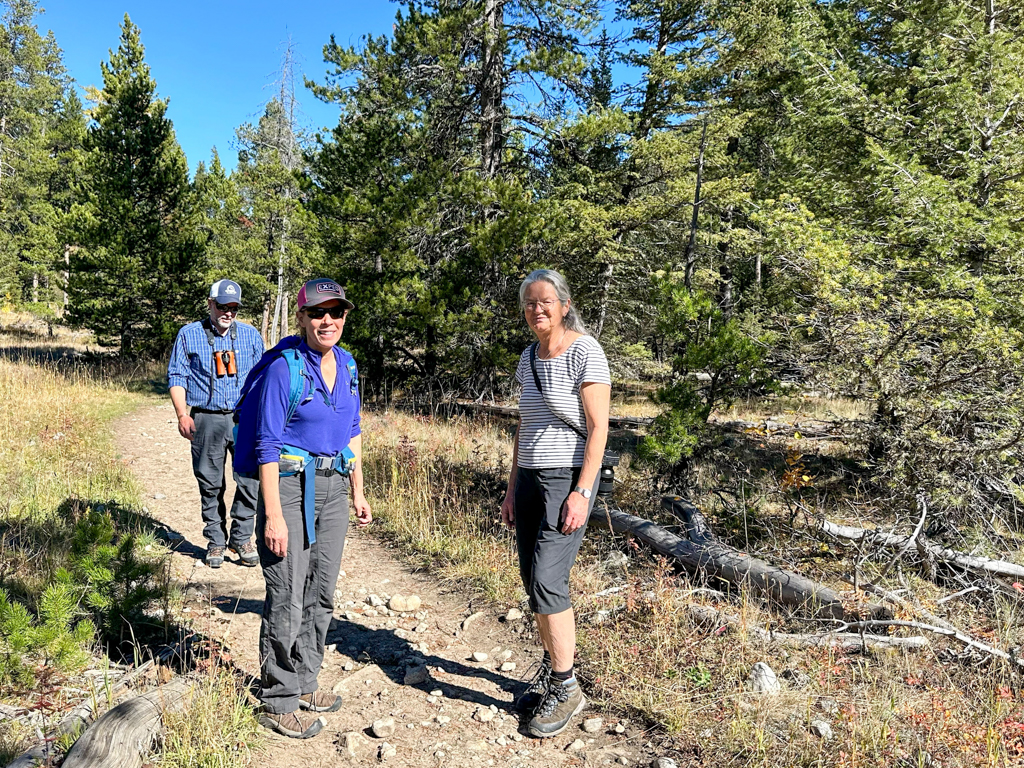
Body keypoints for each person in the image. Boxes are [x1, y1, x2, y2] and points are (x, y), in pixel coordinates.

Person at [234, 278, 372, 739]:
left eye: (335, 312)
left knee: (322, 590)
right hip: (290, 489)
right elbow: (267, 443)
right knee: (287, 594)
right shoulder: (284, 369)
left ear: (345, 316)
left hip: (334, 487)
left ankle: (307, 679)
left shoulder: (348, 365)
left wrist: (358, 490)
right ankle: (278, 698)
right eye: (317, 313)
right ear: (302, 318)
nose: (326, 320)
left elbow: (352, 428)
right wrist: (272, 514)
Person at [500, 269, 611, 738]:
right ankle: (553, 669)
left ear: (564, 305)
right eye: (529, 303)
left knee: (548, 579)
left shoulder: (585, 351)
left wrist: (582, 491)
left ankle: (567, 687)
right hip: (528, 478)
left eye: (545, 301)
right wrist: (510, 489)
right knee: (532, 580)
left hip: (565, 480)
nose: (537, 310)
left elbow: (599, 427)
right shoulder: (528, 357)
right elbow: (526, 426)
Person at [168, 279, 264, 568]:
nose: (228, 312)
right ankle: (215, 540)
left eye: (234, 307)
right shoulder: (189, 334)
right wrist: (182, 414)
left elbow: (264, 378)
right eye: (223, 306)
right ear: (210, 303)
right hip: (206, 418)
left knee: (250, 480)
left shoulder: (250, 335)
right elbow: (177, 377)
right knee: (210, 483)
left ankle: (242, 536)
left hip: (244, 419)